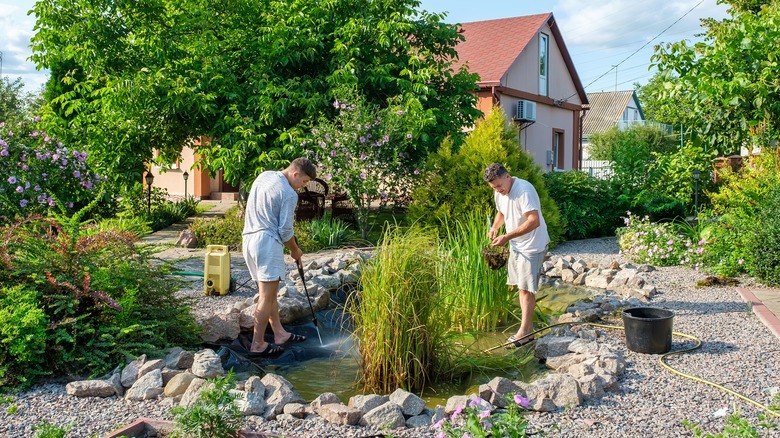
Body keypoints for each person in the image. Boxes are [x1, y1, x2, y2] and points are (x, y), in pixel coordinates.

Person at [242, 157, 317, 357]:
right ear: (295, 174)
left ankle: (279, 334)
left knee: (270, 293)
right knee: (266, 297)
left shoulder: (264, 176)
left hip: (248, 241)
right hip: (267, 242)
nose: (303, 187)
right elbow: (285, 230)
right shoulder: (289, 193)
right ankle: (258, 344)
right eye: (304, 182)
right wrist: (295, 250)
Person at [483, 163, 550, 348]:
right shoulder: (499, 192)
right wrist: (496, 228)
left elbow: (534, 221)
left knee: (526, 288)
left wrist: (507, 236)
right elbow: (501, 212)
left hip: (532, 245)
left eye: (499, 186)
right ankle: (526, 330)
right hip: (517, 245)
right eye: (493, 187)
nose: (497, 190)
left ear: (507, 176)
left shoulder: (524, 190)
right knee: (520, 287)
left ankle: (525, 332)